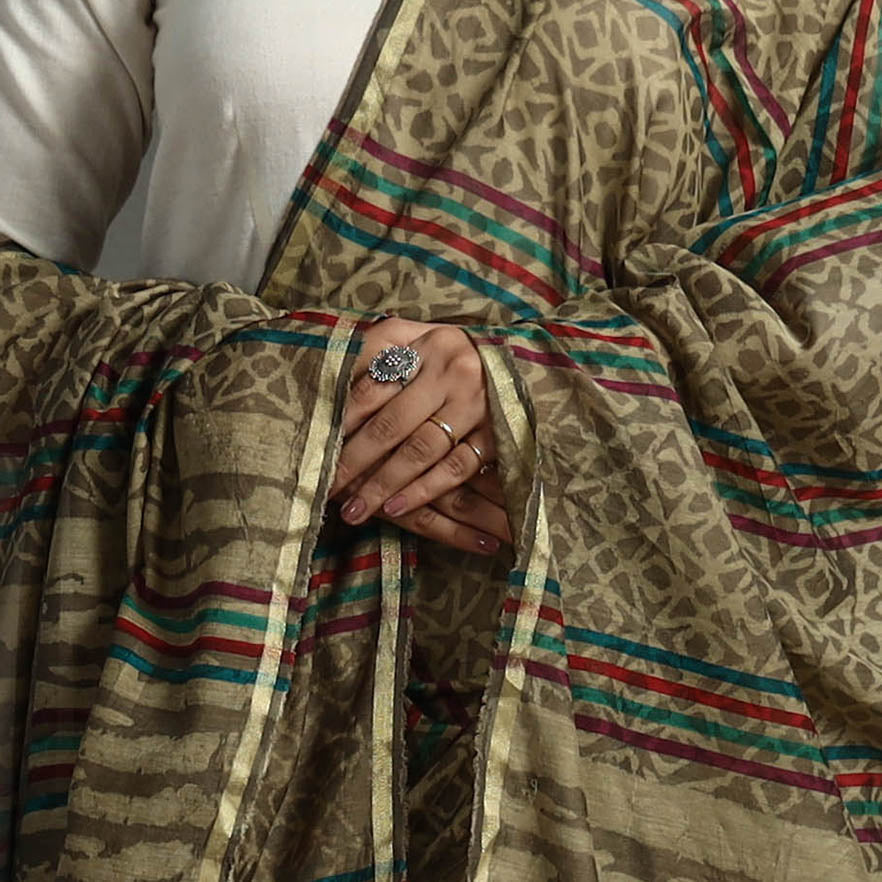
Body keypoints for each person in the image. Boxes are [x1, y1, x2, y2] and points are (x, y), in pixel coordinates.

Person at [2, 1, 882, 880]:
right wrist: (295, 378)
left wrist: (544, 389)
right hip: (227, 673)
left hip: (638, 690)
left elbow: (852, 307)